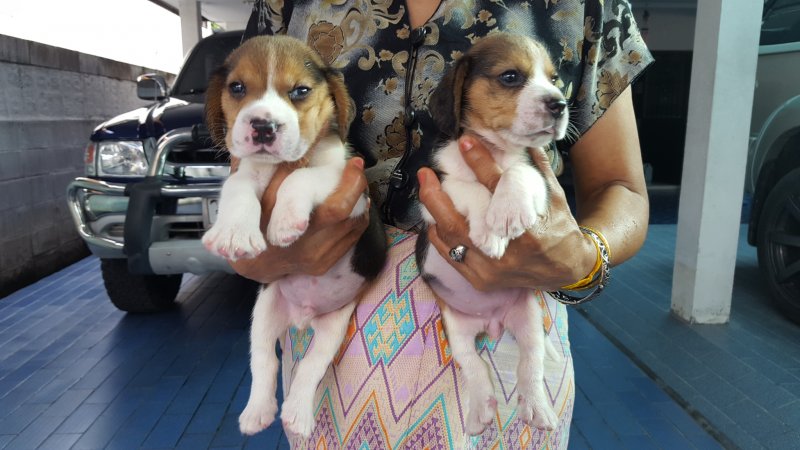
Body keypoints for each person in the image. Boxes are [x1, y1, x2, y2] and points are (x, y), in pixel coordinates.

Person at [228, 1, 652, 448]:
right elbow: (250, 169)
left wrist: (584, 258)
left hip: (510, 314)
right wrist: (256, 251)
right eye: (511, 77)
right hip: (334, 329)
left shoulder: (587, 6)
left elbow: (621, 186)